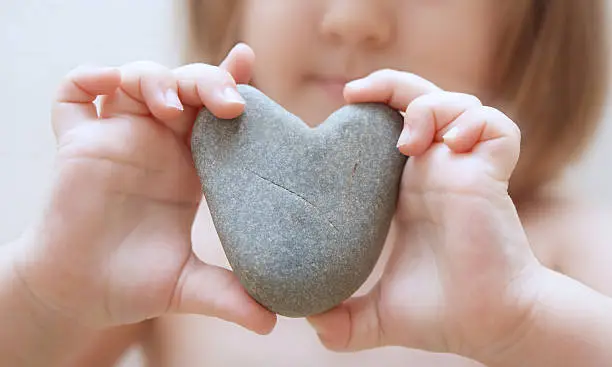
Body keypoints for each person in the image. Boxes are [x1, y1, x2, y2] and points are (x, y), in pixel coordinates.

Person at [1, 0, 611, 366]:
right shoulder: (164, 248)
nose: (352, 20)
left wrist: (526, 321)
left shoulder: (558, 252)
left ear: (531, 28)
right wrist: (44, 290)